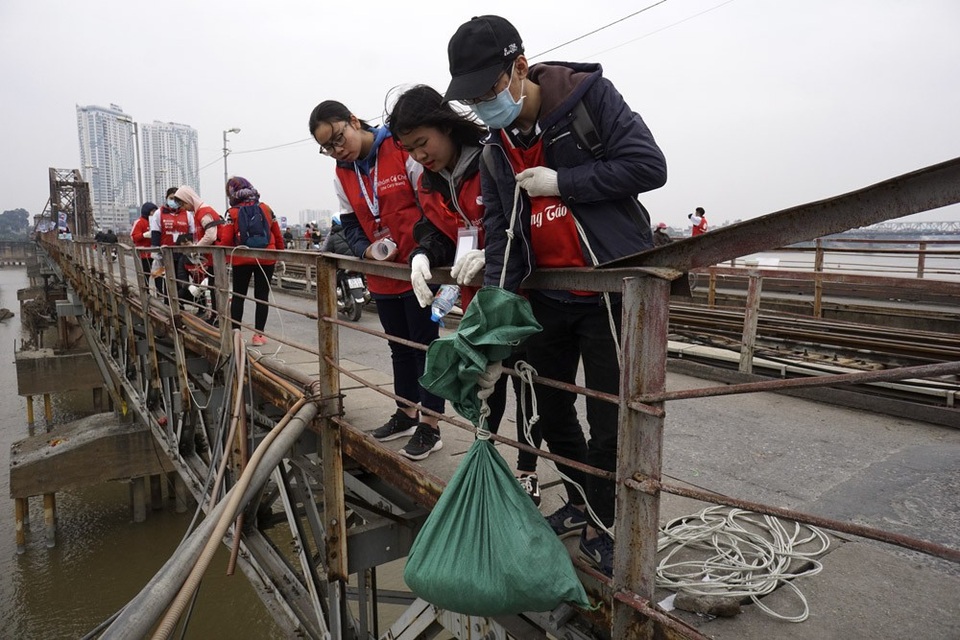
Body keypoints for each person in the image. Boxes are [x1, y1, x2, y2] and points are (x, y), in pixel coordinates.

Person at [444, 15, 667, 574]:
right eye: (471, 101)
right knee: (549, 407)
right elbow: (502, 238)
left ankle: (608, 523)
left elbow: (648, 166)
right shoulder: (496, 149)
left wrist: (563, 183)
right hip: (549, 297)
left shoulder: (590, 99)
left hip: (610, 290)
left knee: (610, 416)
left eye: (487, 92)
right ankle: (580, 503)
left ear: (519, 69)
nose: (482, 108)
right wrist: (490, 338)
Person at [386, 83, 543, 503]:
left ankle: (527, 470)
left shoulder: (492, 159)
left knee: (527, 384)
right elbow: (435, 231)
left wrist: (492, 258)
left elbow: (516, 224)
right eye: (410, 150)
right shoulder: (431, 183)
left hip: (519, 295)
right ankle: (484, 461)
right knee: (486, 385)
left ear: (447, 126)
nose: (420, 156)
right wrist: (421, 252)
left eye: (423, 143)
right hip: (477, 301)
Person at [309, 99, 445, 461]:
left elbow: (431, 203)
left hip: (417, 270)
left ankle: (431, 426)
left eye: (339, 138)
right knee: (399, 348)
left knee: (425, 348)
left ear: (353, 121)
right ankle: (406, 412)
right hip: (382, 273)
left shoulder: (399, 148)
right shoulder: (343, 172)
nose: (339, 149)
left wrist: (427, 251)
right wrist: (364, 250)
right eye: (329, 147)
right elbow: (350, 222)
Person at [223, 176, 284, 346]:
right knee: (262, 295)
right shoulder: (266, 208)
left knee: (238, 295)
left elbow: (227, 240)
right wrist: (279, 255)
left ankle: (236, 333)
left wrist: (227, 258)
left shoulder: (232, 212)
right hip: (266, 258)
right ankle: (258, 335)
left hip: (241, 258)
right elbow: (277, 235)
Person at [174, 185, 227, 325]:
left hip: (217, 256)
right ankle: (216, 316)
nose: (184, 207)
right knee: (213, 287)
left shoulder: (204, 212)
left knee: (216, 287)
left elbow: (211, 235)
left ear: (189, 199)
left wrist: (196, 248)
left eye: (184, 203)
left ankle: (219, 317)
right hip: (213, 257)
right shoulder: (200, 212)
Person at [151, 187, 195, 300]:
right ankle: (169, 302)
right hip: (167, 253)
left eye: (176, 199)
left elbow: (193, 233)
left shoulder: (187, 214)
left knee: (183, 280)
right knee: (169, 278)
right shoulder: (159, 213)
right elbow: (155, 233)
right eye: (171, 198)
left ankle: (181, 302)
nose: (174, 202)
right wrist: (156, 251)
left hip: (184, 254)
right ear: (166, 198)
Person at [131, 203, 156, 285]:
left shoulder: (155, 221)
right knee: (146, 273)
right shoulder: (139, 222)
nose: (154, 213)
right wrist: (144, 235)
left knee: (158, 273)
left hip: (155, 252)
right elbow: (133, 237)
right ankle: (146, 290)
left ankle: (159, 291)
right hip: (144, 254)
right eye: (152, 211)